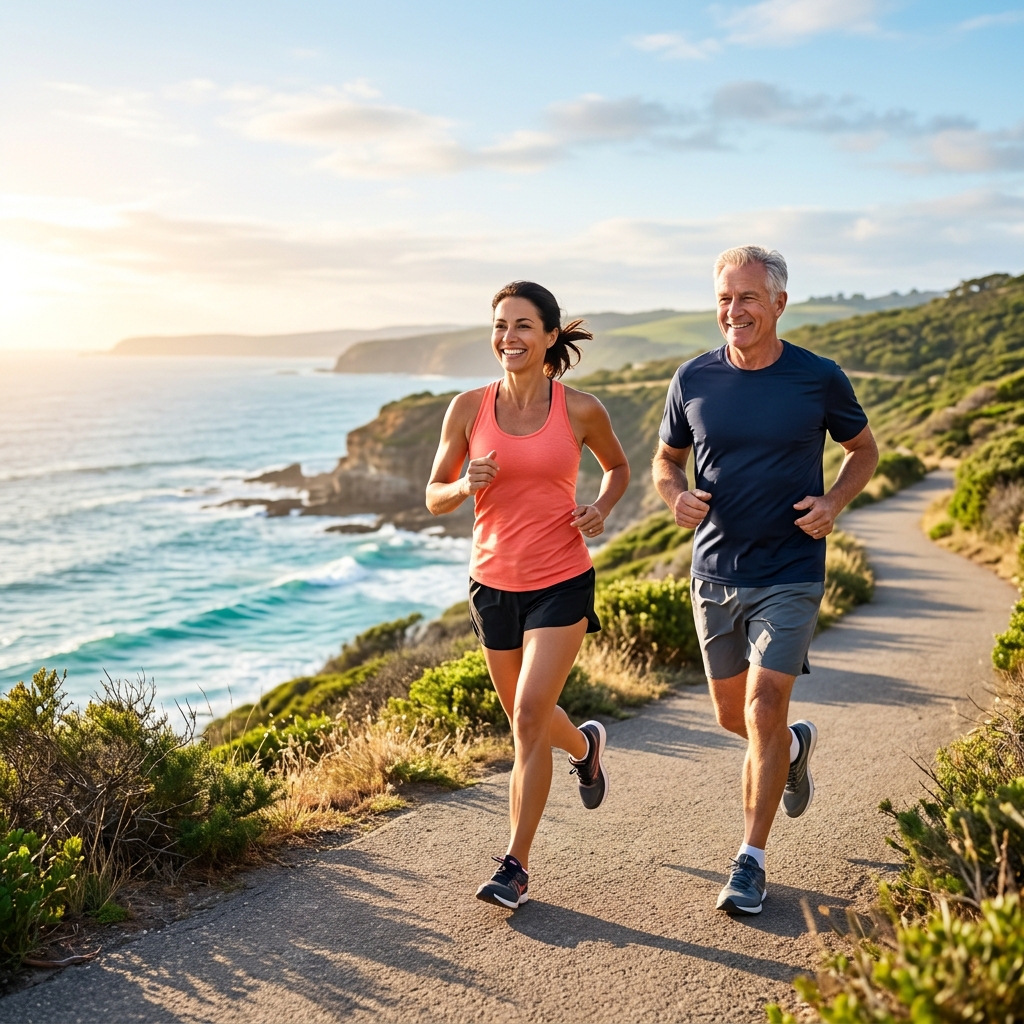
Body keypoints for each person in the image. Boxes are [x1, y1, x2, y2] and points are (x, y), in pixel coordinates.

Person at [652, 246, 878, 915]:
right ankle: (792, 745)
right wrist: (674, 495)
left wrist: (833, 502)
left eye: (748, 297)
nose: (734, 310)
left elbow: (863, 450)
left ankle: (749, 861)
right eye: (725, 298)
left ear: (779, 303)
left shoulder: (818, 377)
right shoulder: (692, 377)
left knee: (761, 707)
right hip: (715, 570)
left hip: (791, 569)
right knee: (738, 718)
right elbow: (666, 459)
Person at [426, 280, 630, 910]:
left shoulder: (581, 409)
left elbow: (618, 468)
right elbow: (433, 497)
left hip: (561, 578)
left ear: (549, 336)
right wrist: (464, 485)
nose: (508, 337)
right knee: (526, 719)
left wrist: (600, 508)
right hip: (492, 584)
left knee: (530, 716)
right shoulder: (467, 408)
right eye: (500, 325)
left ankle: (515, 865)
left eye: (521, 325)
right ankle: (586, 747)